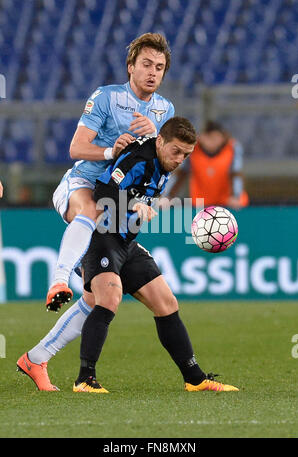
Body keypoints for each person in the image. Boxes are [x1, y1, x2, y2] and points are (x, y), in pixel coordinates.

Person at [17, 118, 238, 393]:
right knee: (108, 297)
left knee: (166, 302)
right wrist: (136, 206)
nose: (181, 159)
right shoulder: (138, 158)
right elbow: (103, 191)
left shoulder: (163, 163)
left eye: (186, 154)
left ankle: (195, 379)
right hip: (100, 236)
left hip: (124, 241)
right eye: (177, 151)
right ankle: (85, 379)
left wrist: (152, 204)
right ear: (160, 142)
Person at [46, 32, 174, 312]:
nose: (152, 72)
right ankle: (58, 280)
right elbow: (76, 148)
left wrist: (156, 138)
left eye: (159, 67)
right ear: (131, 66)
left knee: (97, 301)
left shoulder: (165, 110)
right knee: (90, 210)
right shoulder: (106, 97)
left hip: (119, 199)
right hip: (84, 183)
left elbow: (164, 161)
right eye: (146, 64)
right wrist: (110, 152)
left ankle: (36, 356)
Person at [161, 120, 249, 209]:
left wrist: (236, 197)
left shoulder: (232, 148)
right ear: (203, 137)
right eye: (210, 138)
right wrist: (167, 197)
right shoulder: (193, 149)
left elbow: (236, 174)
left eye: (217, 138)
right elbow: (181, 174)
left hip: (226, 204)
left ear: (222, 138)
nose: (213, 142)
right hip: (200, 205)